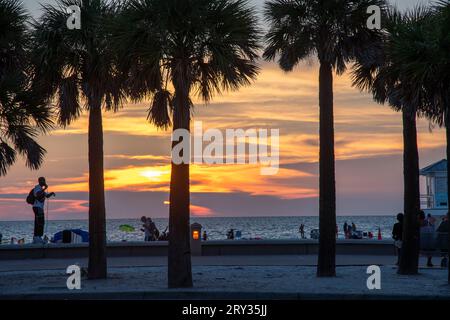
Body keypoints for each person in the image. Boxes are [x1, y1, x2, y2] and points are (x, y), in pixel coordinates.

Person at [32, 177, 55, 244]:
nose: (44, 182)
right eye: (43, 181)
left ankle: (38, 237)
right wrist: (44, 188)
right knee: (39, 222)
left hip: (40, 208)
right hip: (37, 207)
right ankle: (37, 237)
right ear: (39, 181)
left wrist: (51, 193)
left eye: (44, 181)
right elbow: (37, 194)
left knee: (40, 222)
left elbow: (46, 196)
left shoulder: (41, 189)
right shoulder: (37, 187)